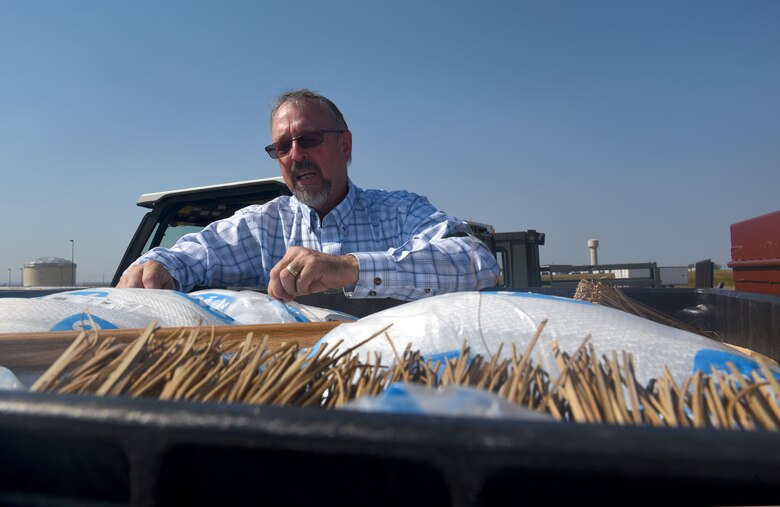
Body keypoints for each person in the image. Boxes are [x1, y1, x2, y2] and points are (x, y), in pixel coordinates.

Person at [118, 89, 499, 301]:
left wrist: (350, 268)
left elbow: (475, 261)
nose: (296, 155)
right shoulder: (263, 226)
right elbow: (198, 251)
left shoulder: (398, 211)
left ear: (345, 146)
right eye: (282, 147)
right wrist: (158, 267)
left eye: (309, 140)